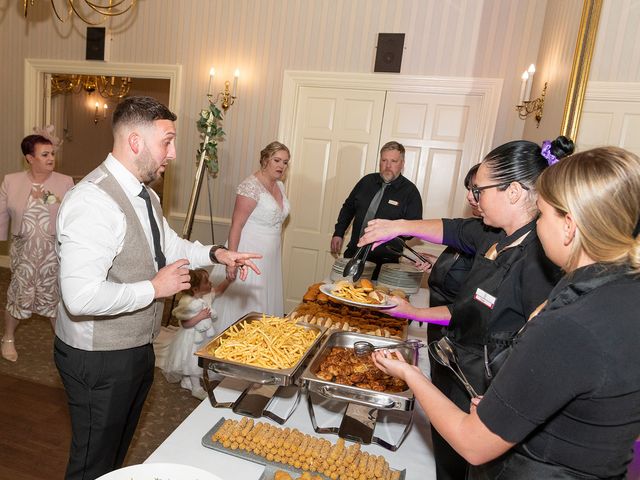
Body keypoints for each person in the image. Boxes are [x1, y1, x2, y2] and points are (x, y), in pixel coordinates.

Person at [372, 146, 640, 479]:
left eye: (541, 214)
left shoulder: (569, 323)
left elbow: (474, 443)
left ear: (569, 225)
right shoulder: (622, 291)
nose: (538, 226)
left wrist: (410, 373)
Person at [54, 96, 261, 480]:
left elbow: (168, 245)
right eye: (167, 141)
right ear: (136, 142)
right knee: (91, 463)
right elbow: (79, 297)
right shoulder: (92, 202)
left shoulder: (145, 194)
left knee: (114, 456)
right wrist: (154, 288)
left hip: (134, 346)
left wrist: (218, 253)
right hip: (97, 357)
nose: (174, 152)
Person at [0, 133, 74, 362]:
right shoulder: (11, 181)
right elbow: (2, 214)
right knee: (19, 295)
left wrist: (47, 197)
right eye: (45, 154)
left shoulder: (65, 181)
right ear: (30, 158)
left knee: (54, 296)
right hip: (24, 252)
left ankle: (64, 344)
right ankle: (8, 338)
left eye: (52, 153)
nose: (51, 158)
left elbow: (70, 213)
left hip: (52, 252)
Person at [215, 141, 291, 332]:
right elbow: (237, 225)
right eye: (277, 160)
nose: (281, 166)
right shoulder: (250, 186)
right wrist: (233, 259)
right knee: (245, 306)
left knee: (264, 301)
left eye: (285, 162)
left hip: (270, 256)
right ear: (265, 159)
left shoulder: (280, 186)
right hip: (249, 252)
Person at [331, 141, 423, 279]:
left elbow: (414, 228)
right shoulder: (366, 182)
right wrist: (338, 232)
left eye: (394, 161)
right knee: (344, 292)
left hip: (385, 263)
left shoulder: (410, 192)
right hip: (354, 253)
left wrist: (395, 228)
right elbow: (348, 208)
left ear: (402, 164)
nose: (388, 165)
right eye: (384, 160)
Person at [162, 268, 227, 400]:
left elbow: (219, 290)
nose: (210, 283)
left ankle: (187, 381)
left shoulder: (205, 296)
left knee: (196, 360)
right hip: (190, 338)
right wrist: (200, 317)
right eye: (206, 282)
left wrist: (229, 280)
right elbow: (185, 323)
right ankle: (196, 388)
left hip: (203, 336)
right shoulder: (187, 302)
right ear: (196, 289)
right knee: (192, 362)